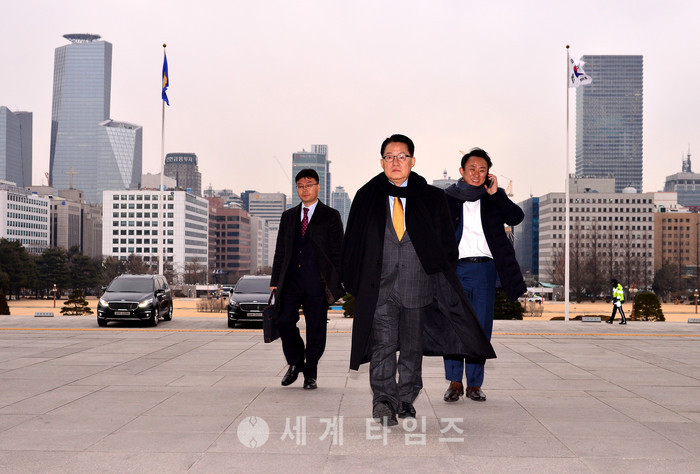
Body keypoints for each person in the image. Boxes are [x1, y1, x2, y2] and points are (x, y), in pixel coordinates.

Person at [342, 134, 495, 426]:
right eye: (389, 157)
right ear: (382, 162)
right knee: (383, 345)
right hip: (380, 286)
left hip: (418, 285)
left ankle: (406, 398)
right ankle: (383, 401)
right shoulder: (366, 196)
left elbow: (448, 245)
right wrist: (355, 283)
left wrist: (438, 278)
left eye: (402, 156)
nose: (395, 162)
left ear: (412, 161)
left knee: (412, 349)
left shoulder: (431, 197)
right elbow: (353, 243)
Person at [442, 148, 526, 403]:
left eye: (482, 170)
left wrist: (497, 195)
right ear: (461, 171)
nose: (477, 174)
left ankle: (475, 384)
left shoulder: (493, 197)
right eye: (472, 169)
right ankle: (455, 382)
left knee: (481, 327)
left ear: (488, 173)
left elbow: (516, 217)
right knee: (454, 326)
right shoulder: (447, 197)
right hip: (455, 269)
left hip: (485, 270)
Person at [270, 169, 345, 390]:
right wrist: (274, 281)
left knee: (315, 329)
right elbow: (280, 251)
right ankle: (295, 362)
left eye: (309, 185)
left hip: (317, 281)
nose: (305, 189)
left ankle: (310, 373)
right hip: (291, 281)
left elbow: (338, 252)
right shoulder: (288, 216)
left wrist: (337, 280)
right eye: (300, 186)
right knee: (284, 321)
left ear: (318, 187)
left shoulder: (331, 215)